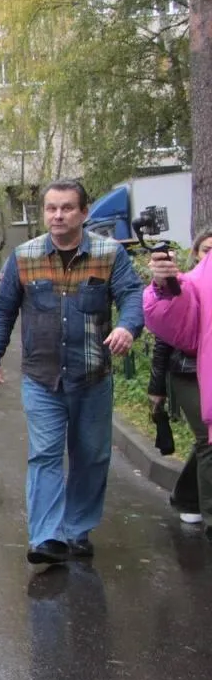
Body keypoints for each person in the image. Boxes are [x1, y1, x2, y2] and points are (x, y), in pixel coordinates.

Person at [0, 179, 143, 565]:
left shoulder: (109, 255)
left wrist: (127, 327)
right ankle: (47, 537)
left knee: (91, 455)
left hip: (92, 377)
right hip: (43, 378)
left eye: (67, 208)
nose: (58, 215)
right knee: (45, 454)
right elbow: (4, 310)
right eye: (51, 208)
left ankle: (77, 529)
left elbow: (132, 296)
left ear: (84, 213)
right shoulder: (24, 256)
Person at [144, 230, 212, 537]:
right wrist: (156, 389)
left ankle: (186, 496)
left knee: (204, 443)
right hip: (187, 373)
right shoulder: (188, 285)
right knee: (207, 441)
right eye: (206, 249)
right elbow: (164, 342)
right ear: (196, 252)